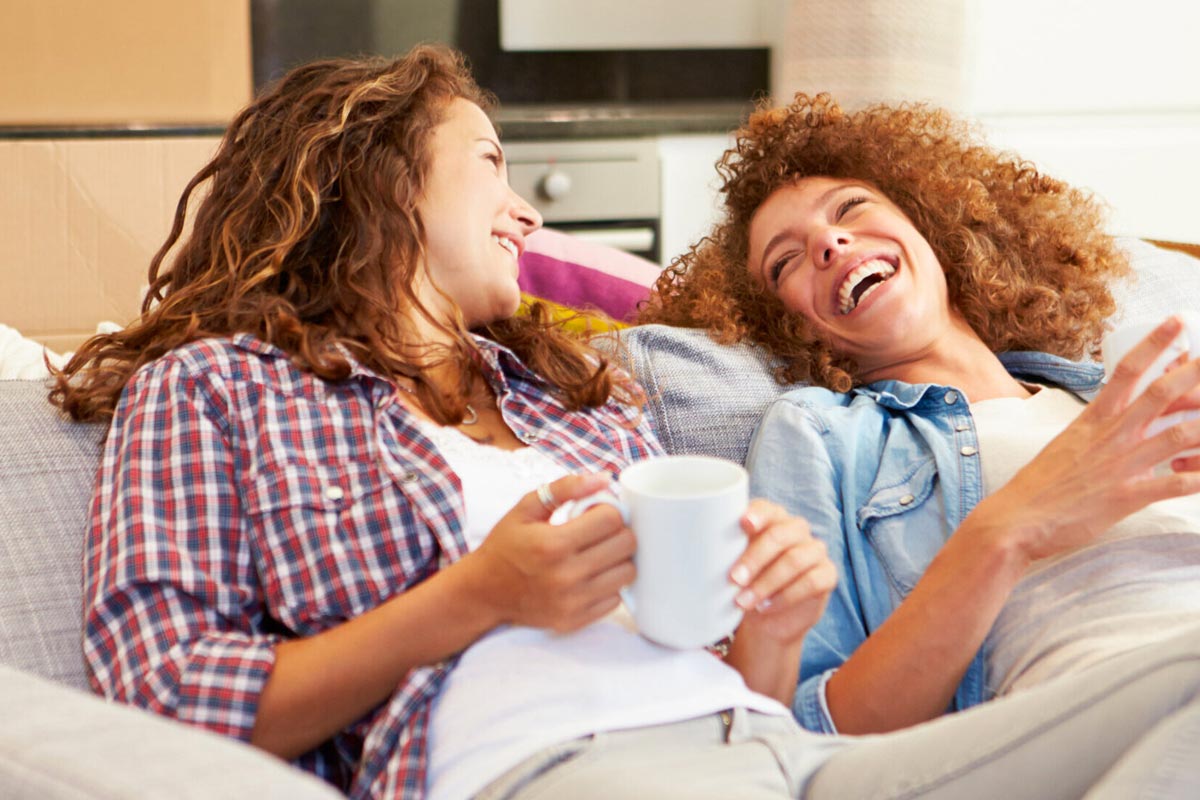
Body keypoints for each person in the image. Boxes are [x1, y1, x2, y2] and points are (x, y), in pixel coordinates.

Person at [52, 48, 1200, 799]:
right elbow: (166, 700)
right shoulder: (215, 389)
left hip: (775, 760)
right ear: (378, 175)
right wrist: (475, 597)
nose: (518, 210)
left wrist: (770, 628)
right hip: (554, 764)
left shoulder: (578, 409)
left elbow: (737, 675)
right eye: (492, 167)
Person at [643, 92, 1200, 738]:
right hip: (1112, 711)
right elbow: (814, 731)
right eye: (786, 261)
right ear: (782, 321)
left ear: (931, 226)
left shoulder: (1106, 392)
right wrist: (1010, 529)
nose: (829, 241)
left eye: (850, 208)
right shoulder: (818, 434)